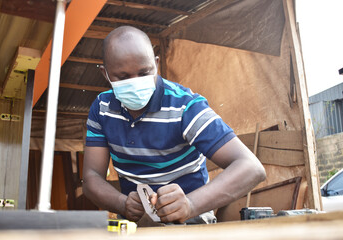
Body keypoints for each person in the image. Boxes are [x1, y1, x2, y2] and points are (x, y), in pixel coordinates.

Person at [83, 26, 266, 224]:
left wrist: (190, 204)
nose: (136, 83)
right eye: (123, 77)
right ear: (106, 74)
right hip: (137, 224)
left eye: (145, 72)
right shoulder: (102, 108)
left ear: (156, 64)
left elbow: (251, 168)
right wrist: (122, 203)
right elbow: (92, 177)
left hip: (191, 222)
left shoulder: (185, 106)